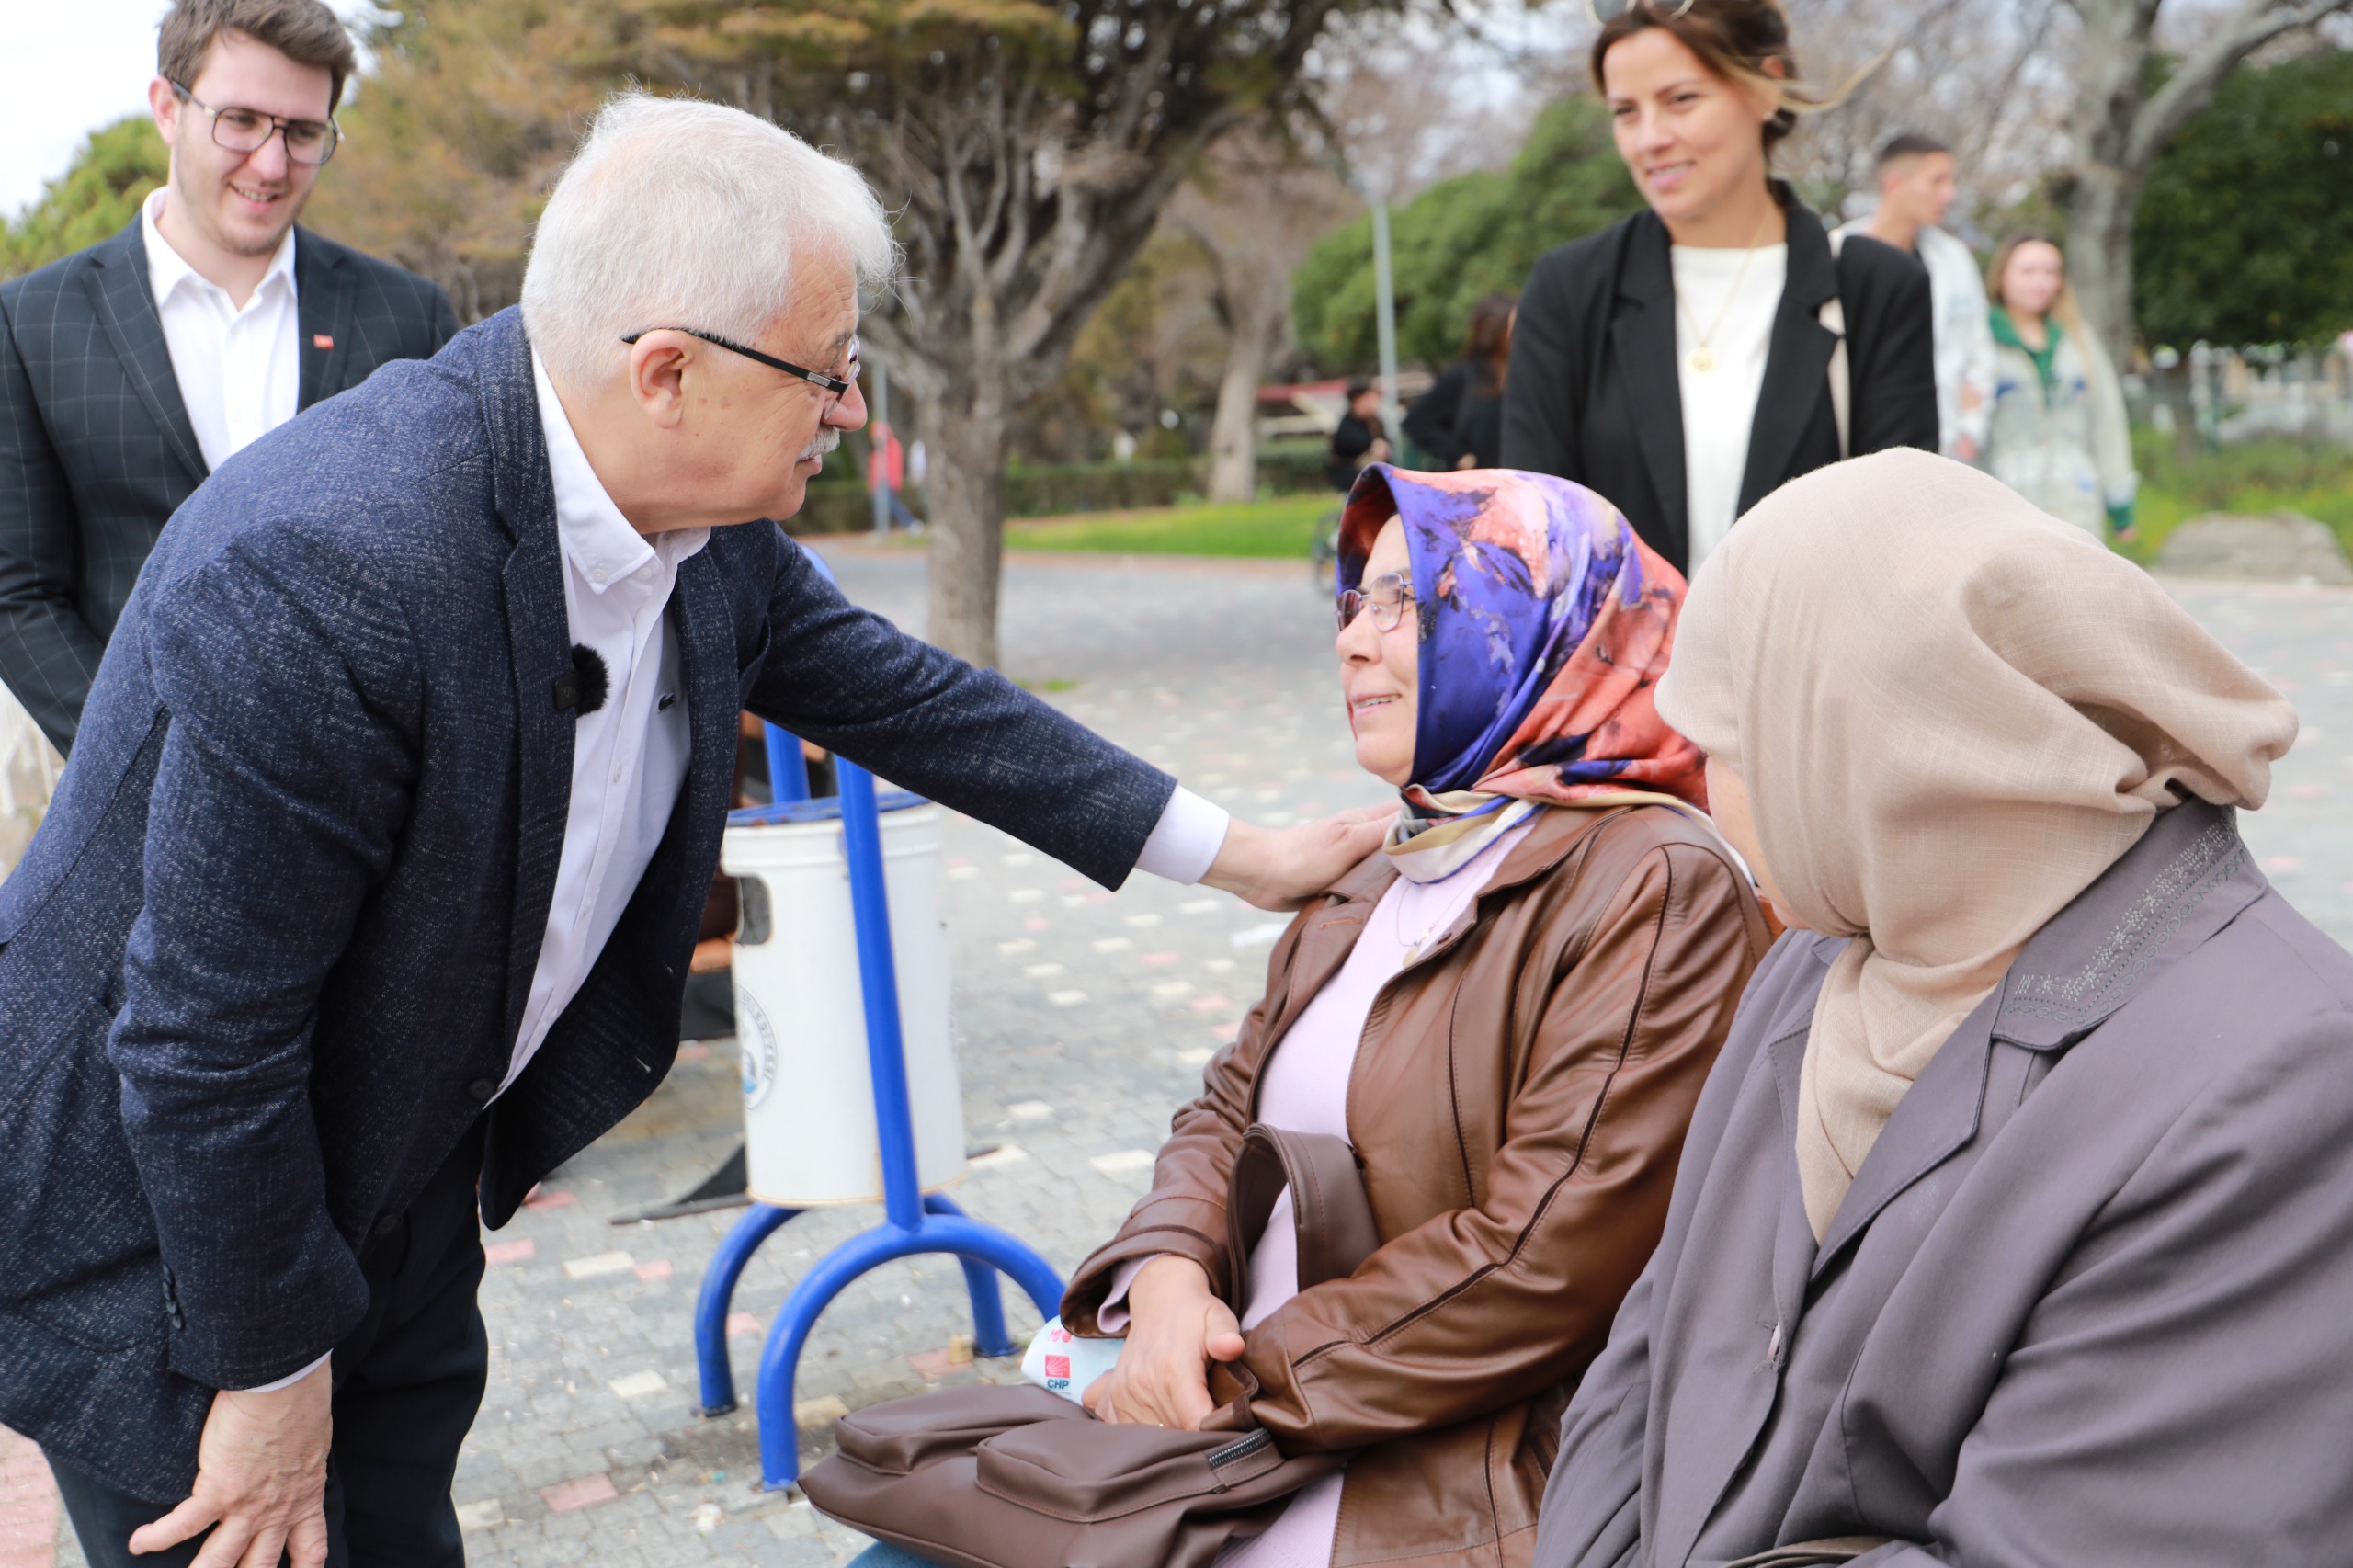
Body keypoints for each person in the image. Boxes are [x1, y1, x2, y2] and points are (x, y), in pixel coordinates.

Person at [0, 95, 1387, 1568]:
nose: (852, 411)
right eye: (829, 372)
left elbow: (929, 708)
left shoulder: (702, 534)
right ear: (666, 370)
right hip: (164, 1227)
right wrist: (269, 1380)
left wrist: (1249, 855)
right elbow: (203, 1045)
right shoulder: (332, 565)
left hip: (394, 1172)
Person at [843, 466, 1770, 1568]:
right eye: (1350, 603)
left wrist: (1222, 1372)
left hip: (1437, 1470)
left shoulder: (1653, 880)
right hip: (1235, 1433)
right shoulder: (1394, 855)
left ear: (1538, 624)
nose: (1352, 641)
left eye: (1406, 604)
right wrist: (1169, 1280)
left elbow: (1541, 1260)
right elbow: (1222, 1107)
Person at [1530, 449, 2353, 1568]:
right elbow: (1646, 1359)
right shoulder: (1815, 966)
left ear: (1871, 746)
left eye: (1728, 743)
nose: (1709, 792)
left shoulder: (2279, 1076)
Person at [0, 0, 460, 757]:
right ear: (167, 109)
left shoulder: (409, 316)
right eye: (240, 120)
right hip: (129, 817)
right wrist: (151, 765)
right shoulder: (29, 324)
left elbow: (449, 575)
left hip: (363, 808)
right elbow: (18, 596)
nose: (272, 164)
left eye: (303, 132)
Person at [1501, 0, 1938, 575]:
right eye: (1626, 111)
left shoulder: (1874, 287)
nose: (1650, 138)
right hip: (1628, 665)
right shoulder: (1571, 290)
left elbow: (1902, 535)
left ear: (1764, 88)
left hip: (1814, 663)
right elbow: (1535, 539)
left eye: (1681, 99)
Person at [1835, 131, 1996, 462]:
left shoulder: (1952, 258)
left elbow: (1978, 351)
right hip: (1856, 452)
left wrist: (1970, 430)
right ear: (1895, 185)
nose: (1949, 194)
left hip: (1945, 449)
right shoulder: (1837, 255)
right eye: (1936, 182)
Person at [1981, 233, 2137, 540]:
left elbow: (2106, 419)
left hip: (2075, 507)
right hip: (2004, 507)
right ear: (2002, 276)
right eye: (2027, 271)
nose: (2040, 281)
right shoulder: (1980, 343)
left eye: (2051, 271)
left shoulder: (2077, 340)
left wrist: (2121, 503)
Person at [1403, 293, 1515, 470]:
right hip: (1474, 489)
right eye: (1512, 326)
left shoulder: (1523, 375)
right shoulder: (1464, 375)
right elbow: (1416, 422)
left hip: (1520, 485)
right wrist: (1457, 454)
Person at [1324, 378, 1390, 493]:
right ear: (1358, 400)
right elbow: (1359, 444)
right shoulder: (1347, 427)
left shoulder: (1375, 422)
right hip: (1352, 484)